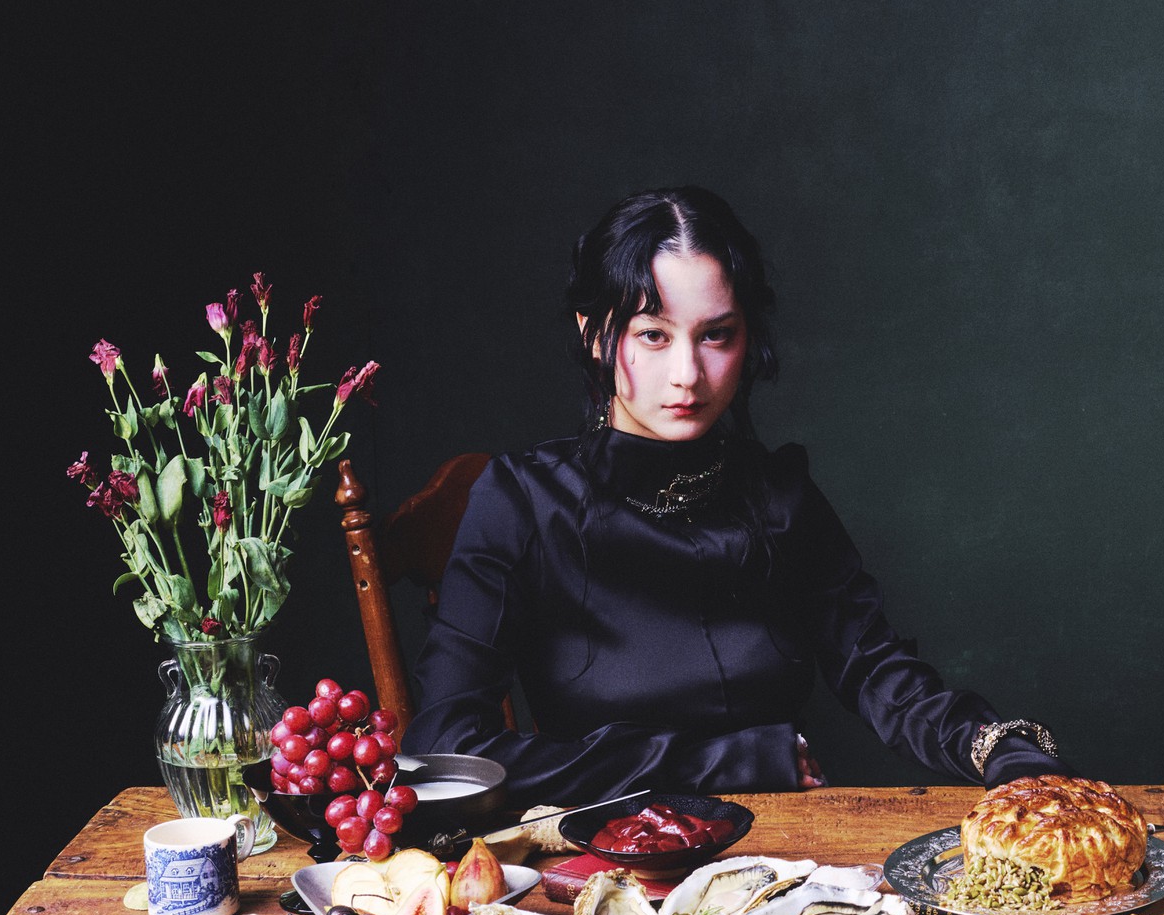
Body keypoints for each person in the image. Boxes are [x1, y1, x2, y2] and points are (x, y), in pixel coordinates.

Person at [406, 186, 1063, 806]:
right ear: (593, 334)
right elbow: (442, 753)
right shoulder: (522, 502)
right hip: (603, 865)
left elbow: (877, 671)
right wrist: (719, 763)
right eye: (653, 335)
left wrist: (996, 748)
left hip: (789, 859)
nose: (687, 374)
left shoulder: (776, 494)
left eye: (716, 334)